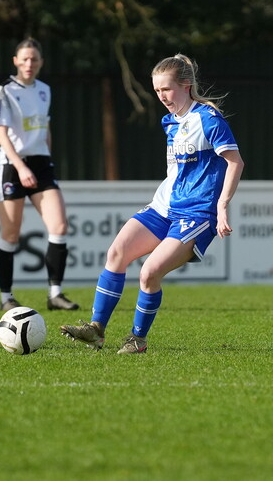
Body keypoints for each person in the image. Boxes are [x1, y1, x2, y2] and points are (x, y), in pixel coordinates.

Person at [60, 54, 244, 354]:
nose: (162, 97)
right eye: (157, 91)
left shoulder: (208, 119)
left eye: (167, 90)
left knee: (149, 273)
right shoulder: (170, 122)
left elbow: (235, 162)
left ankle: (137, 339)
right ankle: (96, 329)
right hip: (164, 206)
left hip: (197, 213)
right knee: (117, 252)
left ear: (186, 86)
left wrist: (222, 206)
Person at [0, 38, 78, 312]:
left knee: (60, 226)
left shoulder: (44, 90)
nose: (30, 64)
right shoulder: (4, 91)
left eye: (35, 59)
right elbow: (1, 134)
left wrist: (46, 158)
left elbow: (45, 128)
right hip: (12, 165)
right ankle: (6, 297)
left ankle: (55, 294)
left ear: (41, 62)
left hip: (41, 165)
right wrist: (20, 167)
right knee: (11, 233)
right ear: (15, 61)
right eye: (25, 59)